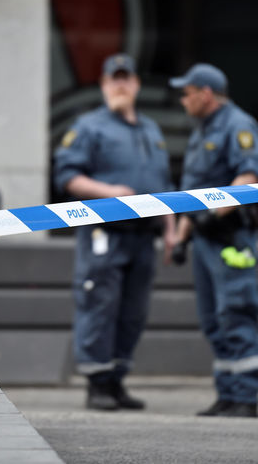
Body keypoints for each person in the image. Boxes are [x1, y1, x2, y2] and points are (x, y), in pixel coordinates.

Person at [54, 53, 176, 411]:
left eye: (126, 79)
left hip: (144, 235)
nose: (120, 85)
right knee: (100, 305)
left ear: (136, 84)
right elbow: (66, 177)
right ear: (104, 85)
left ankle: (118, 380)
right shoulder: (89, 126)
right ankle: (98, 384)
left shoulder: (151, 129)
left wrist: (170, 228)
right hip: (105, 232)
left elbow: (164, 183)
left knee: (133, 311)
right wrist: (110, 193)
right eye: (114, 79)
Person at [168, 63, 258, 418]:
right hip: (204, 239)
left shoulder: (237, 125)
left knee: (236, 310)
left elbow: (249, 175)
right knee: (212, 318)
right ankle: (228, 393)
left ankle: (245, 396)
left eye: (187, 93)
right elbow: (190, 193)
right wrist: (182, 236)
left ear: (205, 94)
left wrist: (214, 213)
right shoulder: (202, 131)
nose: (183, 100)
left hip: (230, 237)